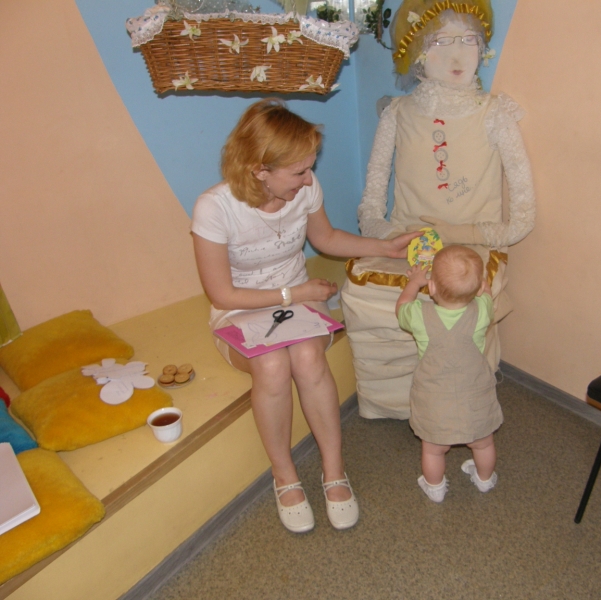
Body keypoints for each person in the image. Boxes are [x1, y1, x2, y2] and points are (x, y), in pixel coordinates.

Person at [191, 99, 420, 533]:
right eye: (298, 172)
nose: (309, 179)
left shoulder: (305, 189)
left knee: (309, 358)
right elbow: (221, 292)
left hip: (298, 298)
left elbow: (326, 238)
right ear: (260, 170)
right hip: (240, 308)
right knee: (272, 365)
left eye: (310, 167)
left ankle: (334, 471)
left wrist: (385, 247)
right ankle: (285, 476)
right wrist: (295, 293)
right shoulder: (214, 207)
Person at [341, 0, 535, 420]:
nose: (458, 54)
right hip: (405, 241)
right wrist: (390, 238)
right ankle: (390, 405)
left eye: (469, 40)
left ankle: (463, 405)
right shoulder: (398, 114)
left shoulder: (494, 113)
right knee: (361, 290)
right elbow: (371, 202)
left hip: (470, 243)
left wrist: (459, 233)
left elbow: (522, 219)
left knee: (459, 297)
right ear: (417, 53)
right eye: (441, 42)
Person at [396, 245, 503, 503]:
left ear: (431, 287)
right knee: (483, 443)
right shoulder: (482, 310)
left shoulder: (419, 315)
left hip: (435, 400)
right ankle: (484, 479)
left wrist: (414, 283)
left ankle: (435, 487)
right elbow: (487, 295)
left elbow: (401, 307)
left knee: (433, 449)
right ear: (478, 289)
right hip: (475, 396)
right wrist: (483, 285)